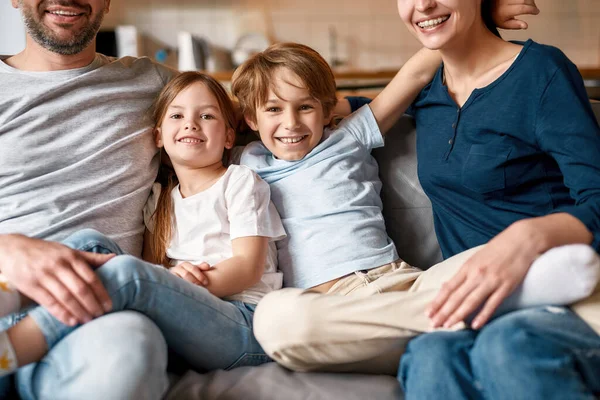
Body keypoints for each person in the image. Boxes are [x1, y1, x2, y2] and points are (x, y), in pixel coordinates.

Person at [230, 36, 600, 384]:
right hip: (332, 312)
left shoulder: (350, 136)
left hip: (404, 283)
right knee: (275, 320)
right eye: (274, 110)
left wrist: (482, 14)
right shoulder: (246, 166)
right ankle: (486, 310)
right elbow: (206, 112)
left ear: (327, 110)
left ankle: (499, 297)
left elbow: (419, 71)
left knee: (497, 252)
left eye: (305, 107)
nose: (291, 123)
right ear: (250, 119)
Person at [0, 71, 285, 383]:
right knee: (91, 243)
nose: (191, 123)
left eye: (207, 115)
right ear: (158, 136)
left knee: (127, 275)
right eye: (177, 115)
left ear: (229, 136)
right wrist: (169, 282)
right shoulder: (160, 199)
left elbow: (248, 267)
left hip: (244, 324)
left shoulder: (239, 181)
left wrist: (185, 285)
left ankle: (10, 351)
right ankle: (14, 297)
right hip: (187, 320)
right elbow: (154, 267)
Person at [0, 0, 177, 398]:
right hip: (4, 290)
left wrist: (342, 105)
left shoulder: (156, 84)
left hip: (94, 310)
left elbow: (272, 116)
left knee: (131, 350)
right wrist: (6, 250)